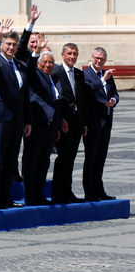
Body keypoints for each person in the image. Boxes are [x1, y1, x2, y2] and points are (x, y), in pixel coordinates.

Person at [0, 14, 35, 209]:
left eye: (14, 44)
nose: (11, 47)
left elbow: (24, 96)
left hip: (17, 120)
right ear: (2, 45)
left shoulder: (19, 64)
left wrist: (27, 120)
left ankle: (5, 197)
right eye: (8, 44)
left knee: (10, 160)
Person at [23, 42, 61, 206]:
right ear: (39, 63)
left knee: (43, 163)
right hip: (36, 126)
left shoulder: (51, 78)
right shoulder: (35, 74)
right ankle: (31, 196)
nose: (47, 65)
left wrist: (57, 124)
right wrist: (36, 53)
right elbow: (29, 68)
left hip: (49, 127)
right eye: (44, 62)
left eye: (50, 62)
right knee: (32, 162)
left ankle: (39, 194)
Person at [51, 43, 87, 203]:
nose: (72, 57)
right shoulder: (56, 72)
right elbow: (55, 99)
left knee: (71, 158)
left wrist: (84, 123)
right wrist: (60, 120)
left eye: (75, 54)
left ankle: (68, 191)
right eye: (69, 54)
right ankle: (58, 192)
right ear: (63, 55)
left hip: (77, 123)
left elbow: (82, 100)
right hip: (64, 123)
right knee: (62, 158)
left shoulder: (79, 74)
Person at [82, 47, 119, 201]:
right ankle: (89, 192)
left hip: (106, 122)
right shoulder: (86, 74)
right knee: (91, 157)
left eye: (102, 59)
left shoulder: (108, 75)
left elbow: (115, 93)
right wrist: (103, 79)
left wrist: (113, 101)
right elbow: (89, 91)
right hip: (92, 123)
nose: (99, 61)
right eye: (97, 58)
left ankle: (99, 190)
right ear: (92, 58)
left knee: (100, 158)